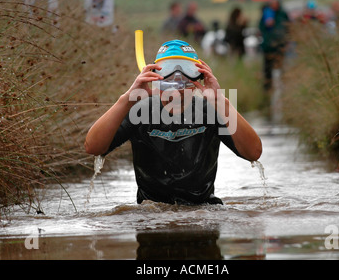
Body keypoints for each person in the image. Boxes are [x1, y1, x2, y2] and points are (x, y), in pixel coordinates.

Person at [85, 40, 262, 205]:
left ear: (198, 77)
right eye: (168, 72)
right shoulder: (139, 110)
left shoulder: (212, 110)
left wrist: (220, 100)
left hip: (203, 213)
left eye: (187, 73)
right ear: (155, 77)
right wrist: (125, 100)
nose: (177, 81)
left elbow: (253, 153)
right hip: (150, 216)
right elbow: (93, 147)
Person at [258, 0, 290, 92]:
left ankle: (281, 87)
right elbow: (261, 27)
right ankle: (268, 88)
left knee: (280, 66)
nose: (274, 5)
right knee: (267, 69)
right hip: (268, 46)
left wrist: (286, 40)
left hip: (280, 45)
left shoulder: (282, 14)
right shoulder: (266, 13)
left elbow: (288, 28)